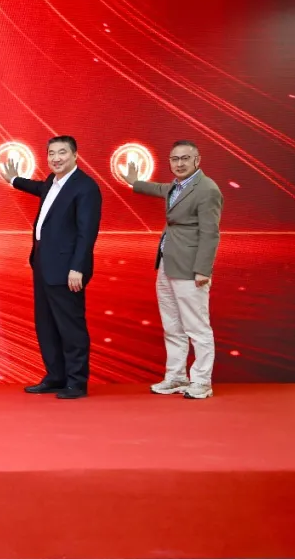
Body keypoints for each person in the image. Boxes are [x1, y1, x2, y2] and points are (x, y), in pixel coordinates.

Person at [2, 135, 101, 399]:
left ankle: (76, 382)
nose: (56, 158)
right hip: (43, 265)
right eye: (51, 153)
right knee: (46, 325)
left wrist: (78, 267)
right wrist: (14, 179)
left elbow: (87, 233)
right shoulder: (51, 182)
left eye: (62, 153)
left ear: (75, 155)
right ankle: (56, 376)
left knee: (70, 327)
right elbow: (37, 188)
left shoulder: (86, 187)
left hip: (67, 269)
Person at [122, 140, 222, 399]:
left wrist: (203, 270)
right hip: (167, 263)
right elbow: (159, 189)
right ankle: (176, 376)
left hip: (190, 267)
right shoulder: (177, 186)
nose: (179, 163)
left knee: (197, 327)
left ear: (197, 160)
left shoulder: (207, 189)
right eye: (175, 159)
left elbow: (210, 233)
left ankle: (201, 382)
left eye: (185, 158)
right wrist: (135, 182)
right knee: (172, 326)